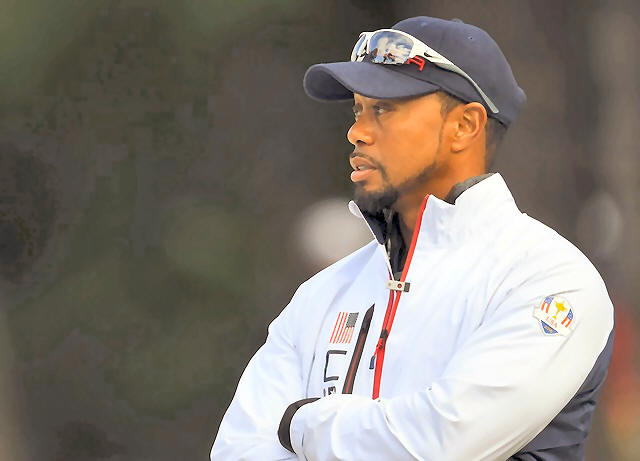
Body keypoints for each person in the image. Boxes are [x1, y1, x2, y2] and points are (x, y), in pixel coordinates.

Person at [211, 16, 614, 461]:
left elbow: (438, 445)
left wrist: (304, 423)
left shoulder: (550, 281)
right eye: (357, 110)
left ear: (464, 126)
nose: (357, 132)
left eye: (384, 109)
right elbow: (236, 451)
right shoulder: (320, 295)